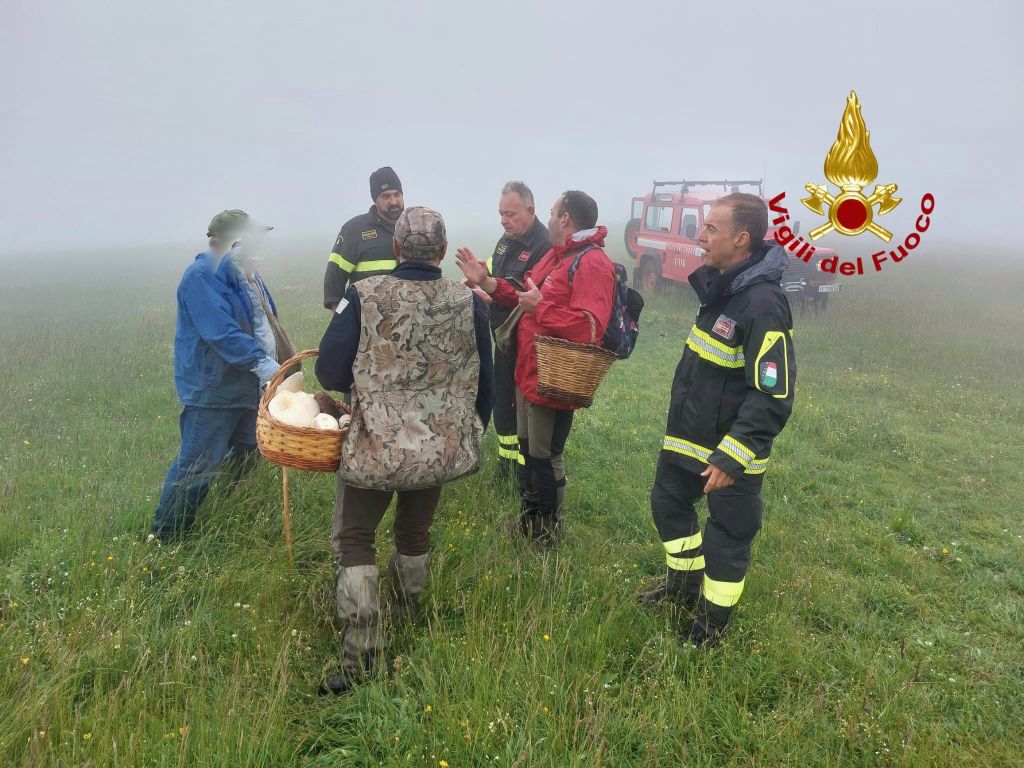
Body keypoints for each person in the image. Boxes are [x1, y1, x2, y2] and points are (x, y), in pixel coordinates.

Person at [315, 206, 494, 695]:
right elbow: (486, 382)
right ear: (441, 252)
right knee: (414, 530)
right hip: (437, 447)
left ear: (395, 248)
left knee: (355, 537)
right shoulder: (470, 300)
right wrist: (462, 432)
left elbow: (329, 373)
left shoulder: (363, 295)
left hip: (376, 445)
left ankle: (362, 655)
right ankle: (409, 614)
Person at [639, 193, 796, 648]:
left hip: (729, 454)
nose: (700, 236)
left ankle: (711, 629)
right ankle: (683, 589)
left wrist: (733, 455)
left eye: (711, 228)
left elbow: (772, 394)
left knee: (727, 538)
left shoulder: (763, 304)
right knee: (668, 506)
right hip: (688, 441)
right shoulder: (724, 289)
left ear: (741, 239)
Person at [456, 191, 615, 545]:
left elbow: (591, 328)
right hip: (530, 370)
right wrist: (486, 281)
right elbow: (521, 296)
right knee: (529, 453)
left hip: (555, 375)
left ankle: (548, 533)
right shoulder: (559, 258)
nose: (549, 216)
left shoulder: (592, 263)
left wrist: (541, 309)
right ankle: (530, 522)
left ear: (566, 219)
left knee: (544, 457)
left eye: (553, 211)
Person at [150, 210, 282, 541]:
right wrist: (263, 364)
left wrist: (281, 361)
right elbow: (221, 332)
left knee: (247, 449)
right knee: (197, 464)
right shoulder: (201, 276)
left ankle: (225, 506)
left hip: (249, 386)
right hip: (215, 388)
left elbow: (266, 322)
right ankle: (166, 536)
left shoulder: (246, 274)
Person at [483, 181, 549, 484]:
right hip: (503, 336)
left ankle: (524, 473)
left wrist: (490, 289)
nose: (503, 220)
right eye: (500, 214)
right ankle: (505, 464)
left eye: (510, 214)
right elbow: (494, 273)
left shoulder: (543, 246)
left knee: (519, 406)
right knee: (502, 402)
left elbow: (525, 293)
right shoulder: (504, 241)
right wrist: (476, 284)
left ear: (530, 211)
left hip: (526, 341)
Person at [322, 167, 404, 311]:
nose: (393, 201)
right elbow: (334, 282)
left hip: (409, 320)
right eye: (386, 196)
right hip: (368, 324)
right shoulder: (354, 230)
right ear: (375, 199)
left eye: (397, 194)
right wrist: (345, 320)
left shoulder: (416, 226)